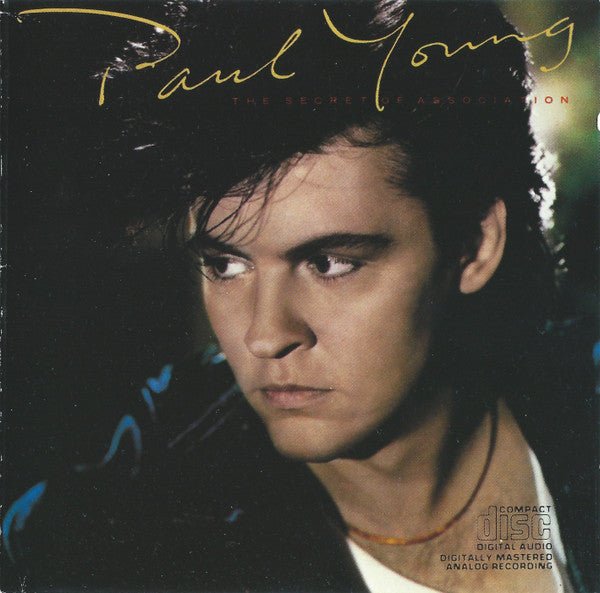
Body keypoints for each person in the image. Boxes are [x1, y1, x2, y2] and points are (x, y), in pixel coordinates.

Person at [2, 1, 597, 592]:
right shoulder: (118, 542)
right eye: (225, 264)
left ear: (474, 246)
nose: (266, 336)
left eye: (330, 263)